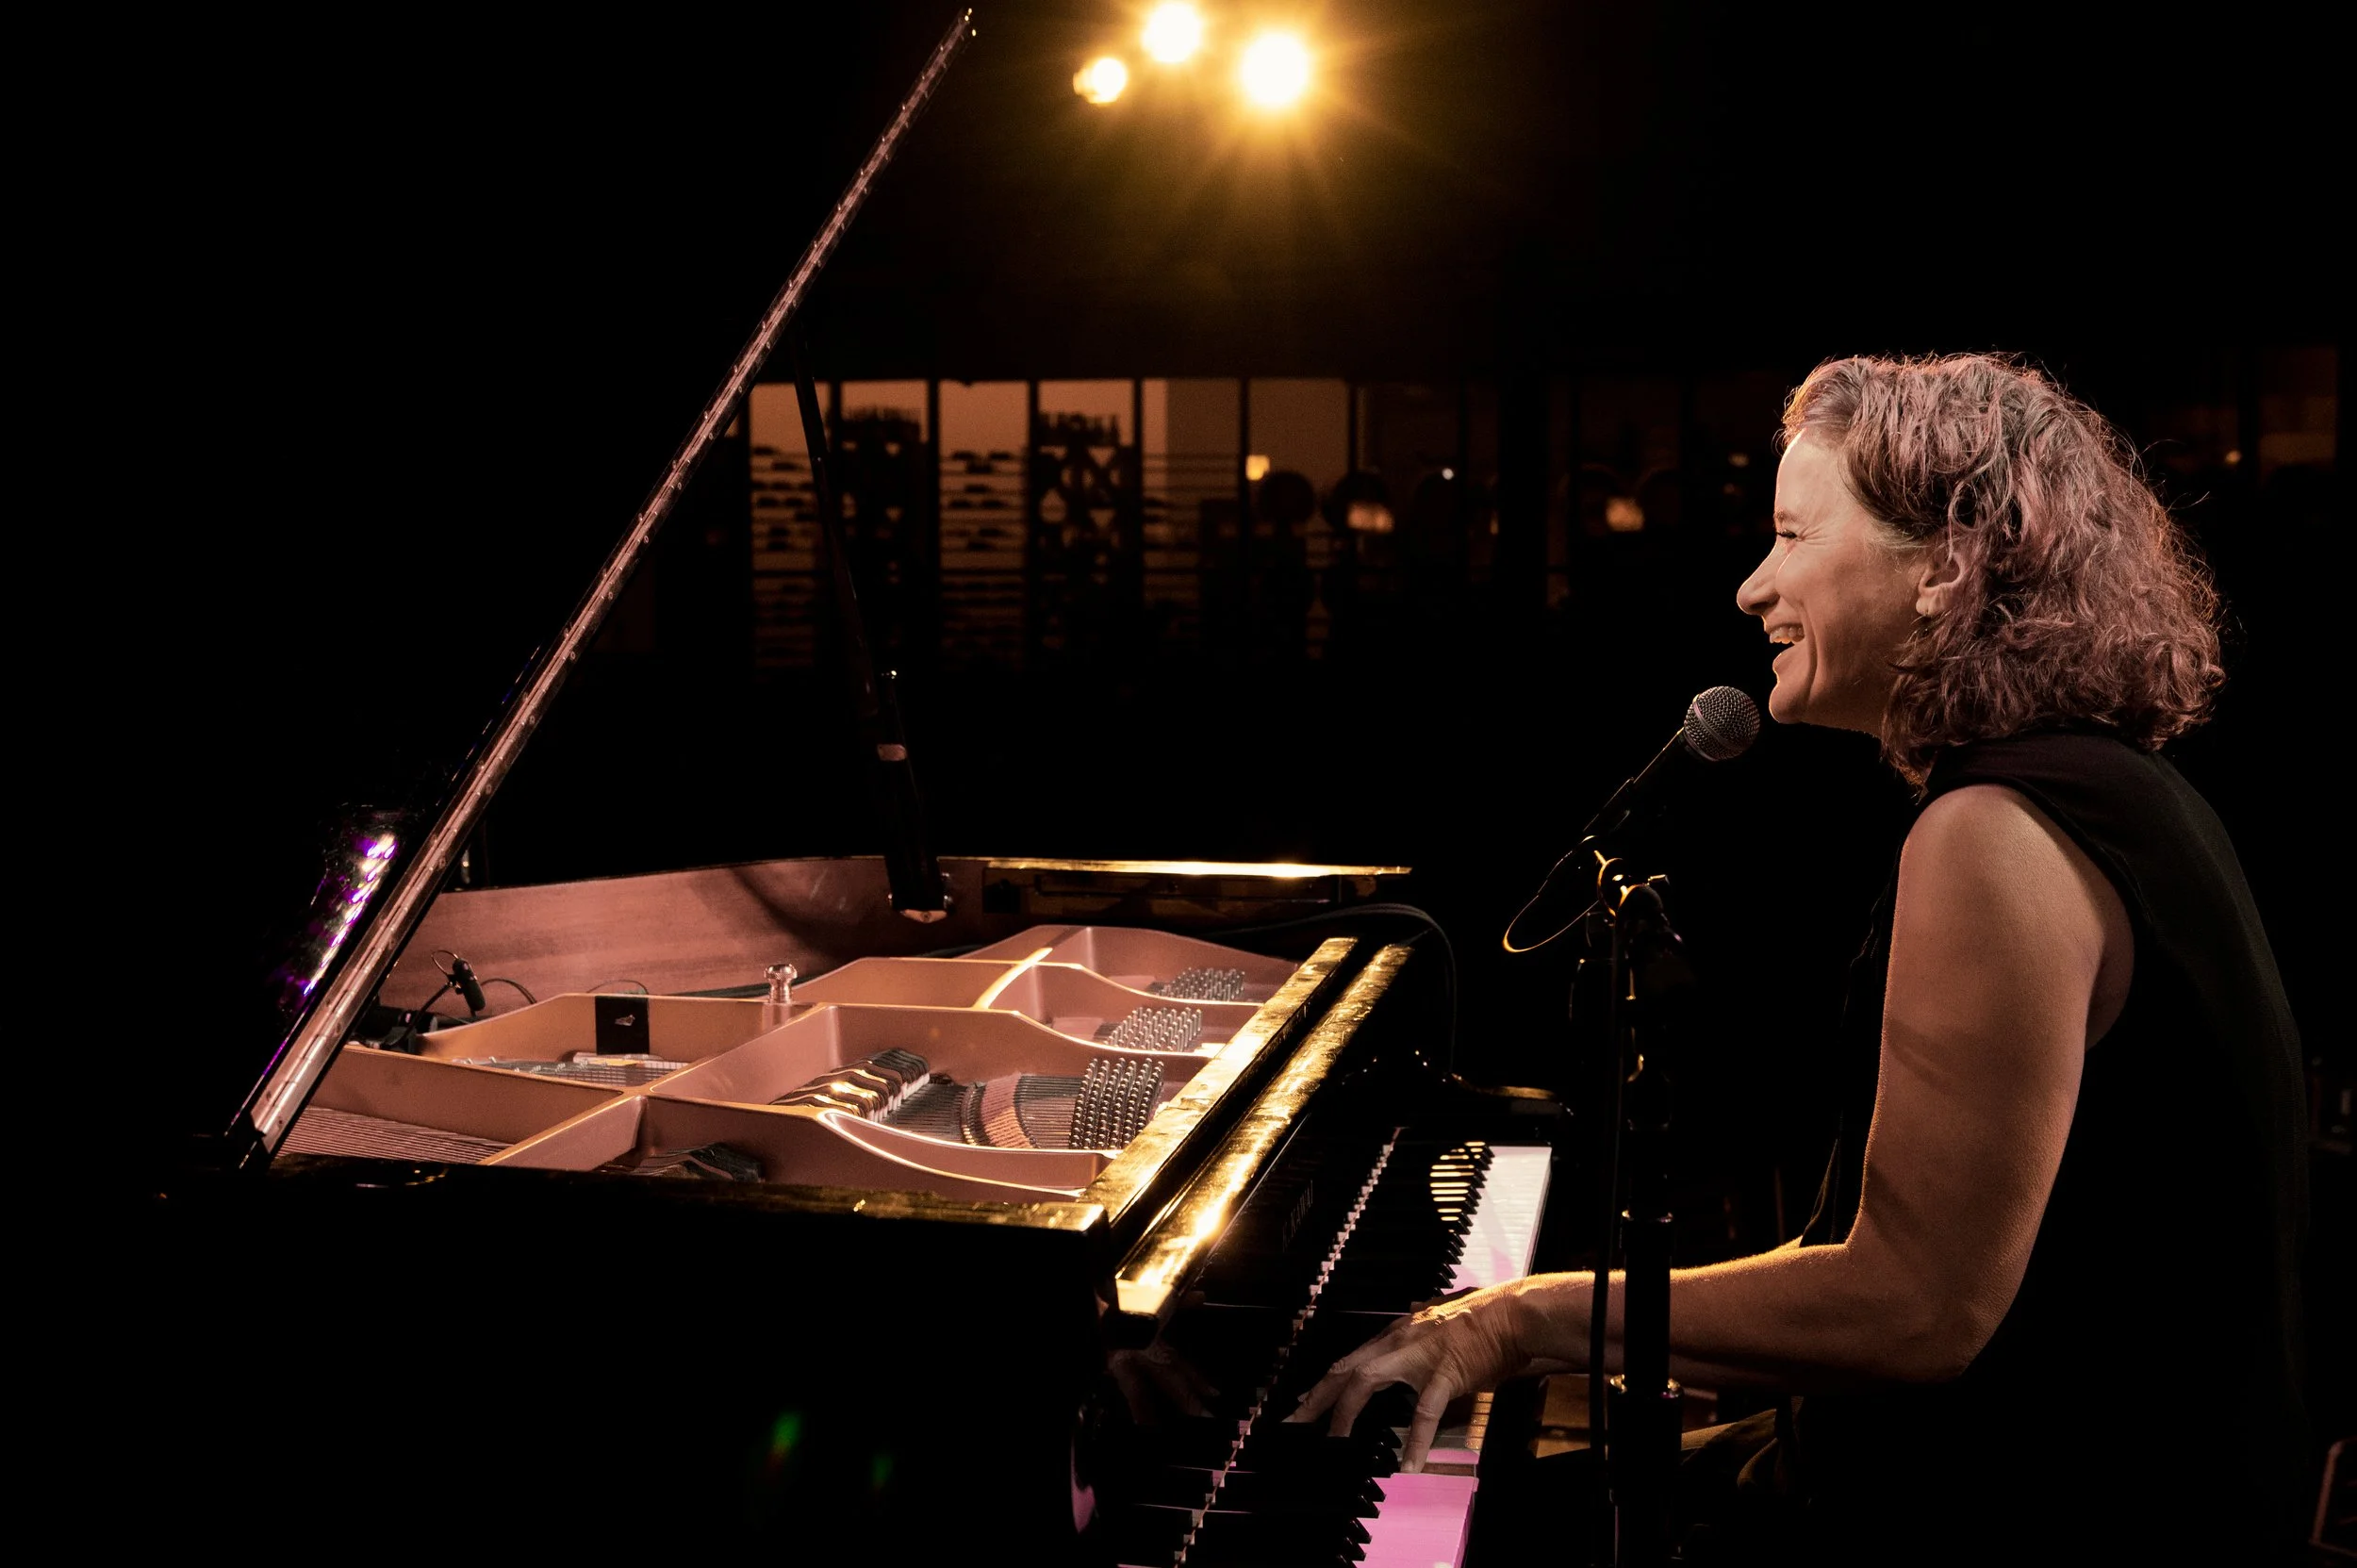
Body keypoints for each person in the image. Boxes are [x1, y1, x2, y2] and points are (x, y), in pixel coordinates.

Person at [1290, 354, 2310, 1561]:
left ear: (1943, 566)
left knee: (1443, 1536)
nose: (1751, 586)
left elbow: (1917, 1306)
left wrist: (1515, 1324)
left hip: (2051, 1524)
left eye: (1789, 535)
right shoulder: (2118, 794)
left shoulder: (1994, 834)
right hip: (2092, 1485)